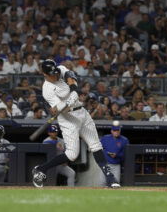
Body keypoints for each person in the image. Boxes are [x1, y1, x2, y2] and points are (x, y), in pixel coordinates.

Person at [32, 59, 119, 188]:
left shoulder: (60, 69)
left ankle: (110, 178)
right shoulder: (47, 89)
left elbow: (70, 77)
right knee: (72, 155)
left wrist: (73, 91)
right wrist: (68, 102)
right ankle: (41, 169)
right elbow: (57, 109)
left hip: (82, 114)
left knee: (96, 145)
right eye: (52, 74)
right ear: (45, 74)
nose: (55, 75)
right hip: (67, 118)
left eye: (55, 72)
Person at [100, 121, 129, 186]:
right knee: (102, 183)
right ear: (111, 131)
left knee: (116, 184)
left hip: (116, 165)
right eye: (114, 130)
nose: (116, 132)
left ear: (120, 131)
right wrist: (106, 153)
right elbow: (99, 149)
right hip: (105, 165)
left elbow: (127, 153)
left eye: (117, 130)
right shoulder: (105, 138)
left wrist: (117, 155)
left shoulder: (124, 140)